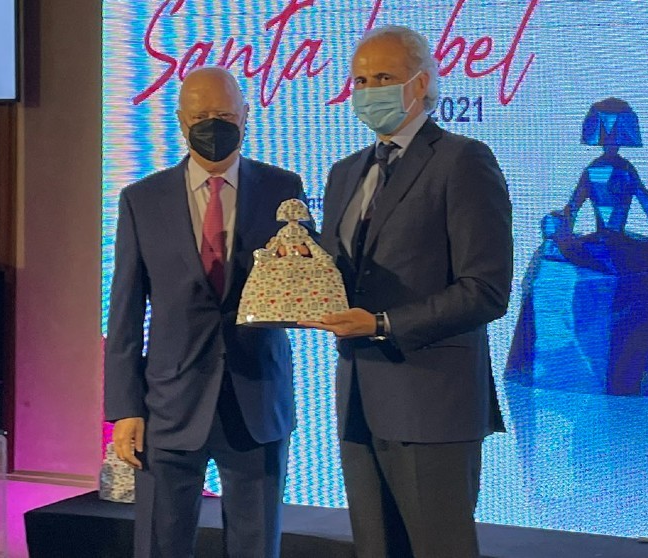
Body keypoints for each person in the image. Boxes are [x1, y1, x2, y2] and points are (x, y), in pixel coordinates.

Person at [302, 25, 513, 558]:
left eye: (383, 78)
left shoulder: (463, 160)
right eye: (360, 81)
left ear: (420, 84)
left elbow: (485, 290)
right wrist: (297, 274)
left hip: (433, 405)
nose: (368, 91)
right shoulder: (345, 173)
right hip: (358, 400)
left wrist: (383, 324)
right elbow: (339, 274)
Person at [104, 66, 307, 558]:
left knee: (256, 546)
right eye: (200, 117)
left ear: (245, 116)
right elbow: (125, 312)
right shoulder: (142, 199)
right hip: (168, 405)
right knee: (161, 545)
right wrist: (125, 409)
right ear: (180, 121)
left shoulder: (283, 188)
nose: (212, 125)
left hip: (257, 400)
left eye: (223, 115)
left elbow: (303, 280)